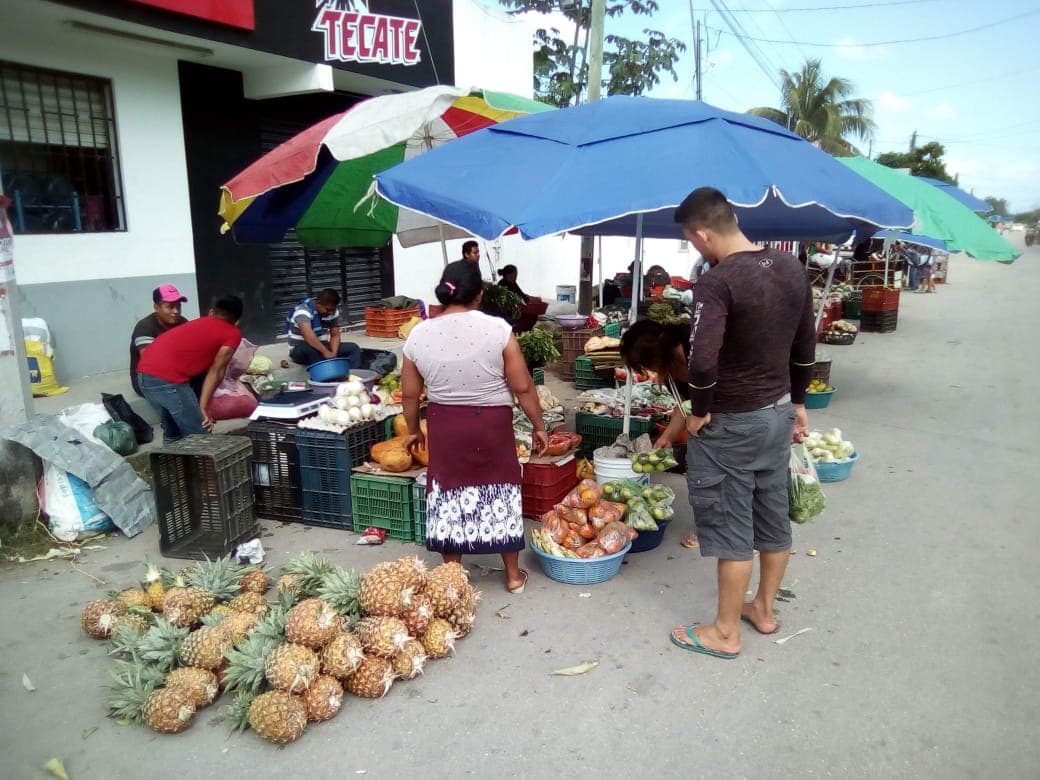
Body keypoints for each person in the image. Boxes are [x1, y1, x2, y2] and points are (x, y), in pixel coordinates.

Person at [667, 187, 815, 660]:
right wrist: (799, 401)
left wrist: (700, 408)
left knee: (732, 526)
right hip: (776, 413)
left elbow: (702, 360)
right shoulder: (791, 267)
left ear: (703, 233)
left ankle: (725, 632)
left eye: (692, 240)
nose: (696, 248)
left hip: (732, 422)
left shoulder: (717, 281)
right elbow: (805, 343)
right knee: (772, 518)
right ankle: (763, 611)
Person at [400, 260, 548, 594]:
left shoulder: (418, 335)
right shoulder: (498, 330)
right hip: (491, 424)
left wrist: (412, 430)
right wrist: (539, 425)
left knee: (449, 490)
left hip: (445, 424)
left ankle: (453, 576)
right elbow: (523, 386)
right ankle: (512, 575)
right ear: (479, 295)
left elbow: (410, 393)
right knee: (501, 488)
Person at [620, 319, 700, 550]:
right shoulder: (671, 370)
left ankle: (743, 533)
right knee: (701, 477)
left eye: (647, 364)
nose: (651, 371)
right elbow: (683, 406)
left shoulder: (695, 352)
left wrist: (706, 413)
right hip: (701, 429)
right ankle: (709, 525)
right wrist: (668, 437)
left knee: (730, 479)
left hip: (729, 421)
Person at [137, 295, 244, 444]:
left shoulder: (197, 322)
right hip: (168, 379)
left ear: (211, 312)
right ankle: (200, 466)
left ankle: (172, 464)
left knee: (173, 432)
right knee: (200, 433)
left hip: (144, 376)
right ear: (237, 321)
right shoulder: (232, 333)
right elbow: (216, 371)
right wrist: (202, 407)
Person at [130, 284, 189, 397]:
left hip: (176, 372)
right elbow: (151, 365)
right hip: (147, 379)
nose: (176, 311)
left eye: (178, 306)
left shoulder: (182, 322)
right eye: (170, 307)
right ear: (156, 307)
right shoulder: (145, 327)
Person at [286, 289, 361, 369]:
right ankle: (327, 375)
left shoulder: (333, 313)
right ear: (318, 303)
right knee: (310, 350)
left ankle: (354, 376)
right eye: (328, 309)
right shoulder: (303, 311)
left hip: (322, 346)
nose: (331, 312)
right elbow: (307, 334)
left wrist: (333, 354)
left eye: (333, 309)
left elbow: (335, 335)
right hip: (300, 349)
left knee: (353, 348)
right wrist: (325, 352)